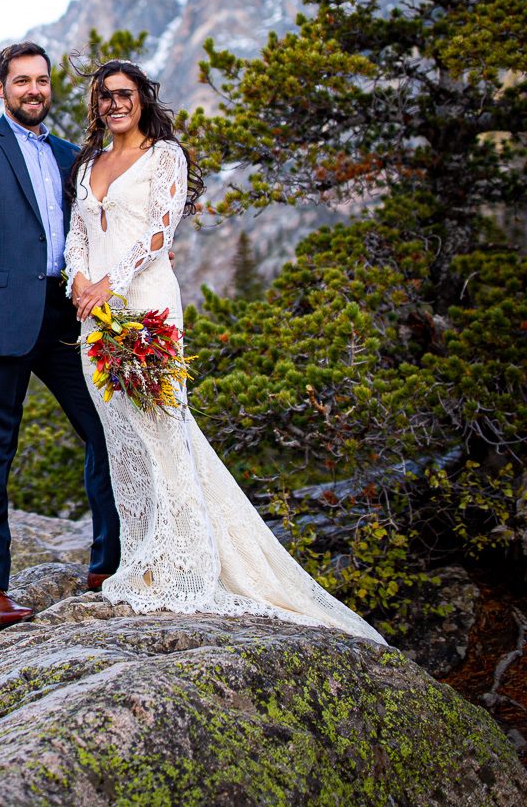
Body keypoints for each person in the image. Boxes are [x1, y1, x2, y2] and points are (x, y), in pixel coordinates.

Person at [64, 59, 383, 642]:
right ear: (96, 104)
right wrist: (80, 282)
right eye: (105, 96)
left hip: (148, 305)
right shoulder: (88, 163)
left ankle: (184, 565)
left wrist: (112, 283)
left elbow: (161, 229)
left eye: (124, 94)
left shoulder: (165, 155)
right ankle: (145, 557)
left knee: (162, 428)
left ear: (142, 99)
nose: (114, 104)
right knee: (123, 440)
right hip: (93, 317)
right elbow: (79, 232)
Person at [0, 41, 120, 628]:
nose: (33, 89)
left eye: (41, 80)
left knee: (108, 431)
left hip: (68, 320)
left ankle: (109, 564)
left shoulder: (72, 155)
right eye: (21, 81)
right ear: (1, 90)